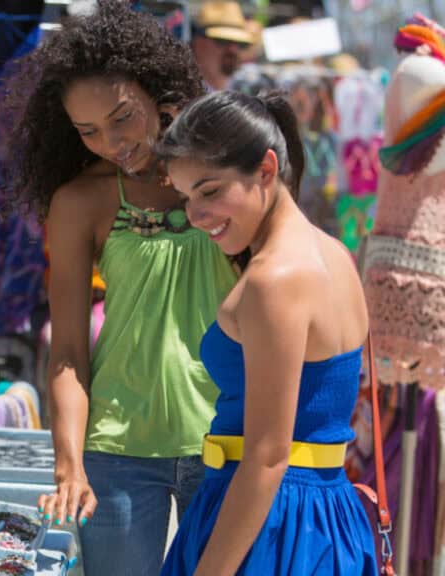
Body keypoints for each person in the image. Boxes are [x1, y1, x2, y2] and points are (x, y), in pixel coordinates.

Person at [0, 2, 237, 573]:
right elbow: (69, 355)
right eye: (88, 131)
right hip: (116, 451)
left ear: (156, 90)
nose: (111, 141)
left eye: (121, 117)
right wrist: (68, 465)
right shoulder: (81, 202)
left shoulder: (225, 180)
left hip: (229, 439)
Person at [157, 90, 378, 575]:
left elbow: (266, 457)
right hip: (327, 517)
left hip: (273, 526)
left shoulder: (272, 281)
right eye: (187, 196)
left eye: (210, 190)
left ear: (266, 168)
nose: (195, 214)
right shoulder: (334, 254)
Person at [191, 1, 256, 91]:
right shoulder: (180, 94)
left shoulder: (248, 90)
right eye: (223, 41)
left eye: (240, 43)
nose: (233, 50)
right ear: (199, 44)